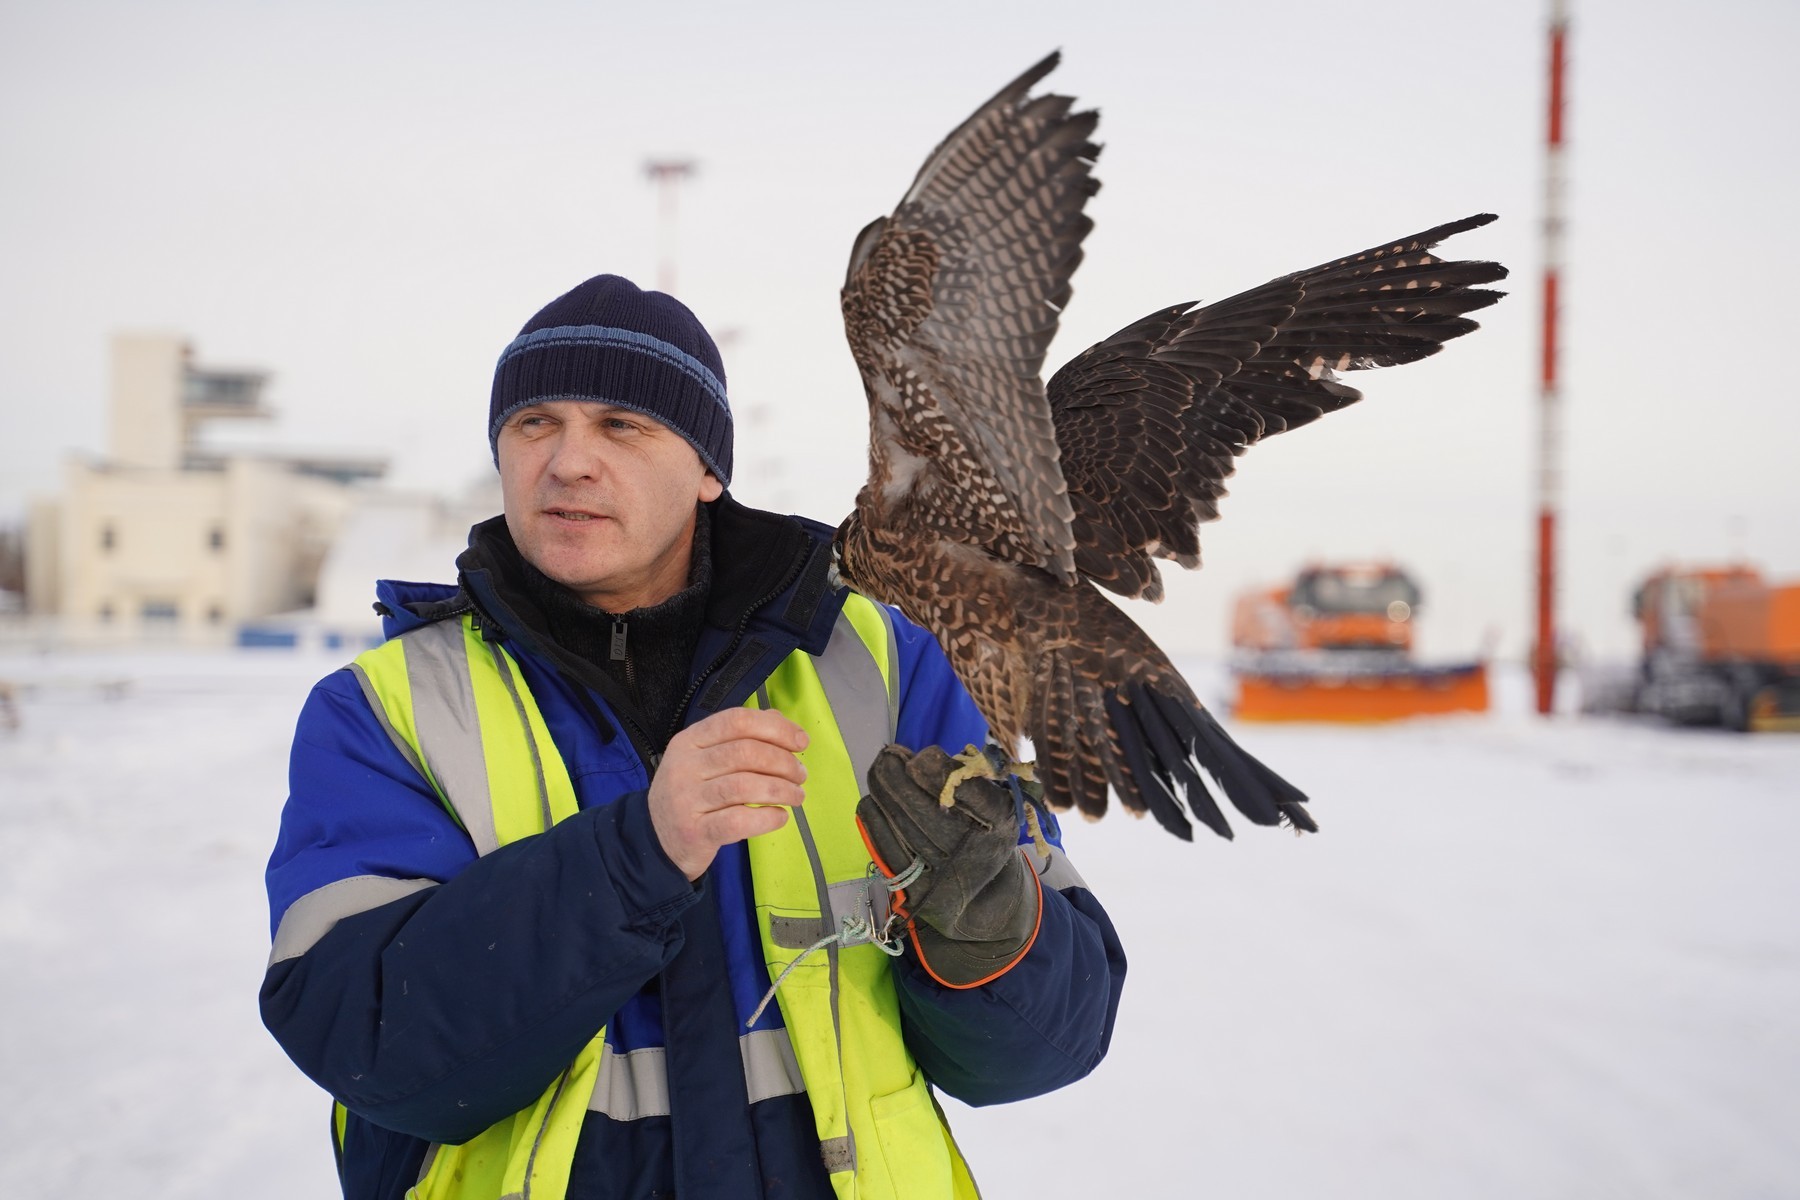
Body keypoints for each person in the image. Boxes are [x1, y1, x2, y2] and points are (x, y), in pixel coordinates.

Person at [260, 274, 1126, 1200]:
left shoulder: (885, 663)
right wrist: (639, 853)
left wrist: (988, 929)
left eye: (621, 426)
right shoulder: (387, 708)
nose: (568, 462)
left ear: (709, 469)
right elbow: (366, 1046)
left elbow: (1049, 1047)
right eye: (534, 424)